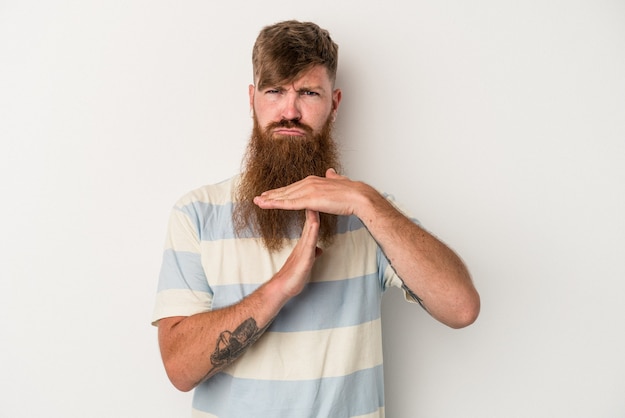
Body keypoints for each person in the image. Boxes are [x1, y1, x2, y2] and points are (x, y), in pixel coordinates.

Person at [152, 20, 480, 418]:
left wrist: (365, 200)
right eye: (275, 92)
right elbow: (179, 368)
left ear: (335, 103)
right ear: (252, 99)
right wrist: (278, 290)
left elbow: (461, 307)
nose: (290, 111)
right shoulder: (197, 213)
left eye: (308, 92)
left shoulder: (371, 214)